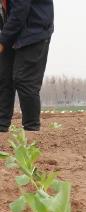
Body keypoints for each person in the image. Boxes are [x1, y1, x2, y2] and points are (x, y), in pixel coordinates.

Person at [0, 0, 54, 133]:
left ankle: (32, 130)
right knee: (3, 77)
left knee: (24, 79)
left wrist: (2, 40)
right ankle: (1, 126)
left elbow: (20, 9)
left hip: (34, 31)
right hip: (12, 29)